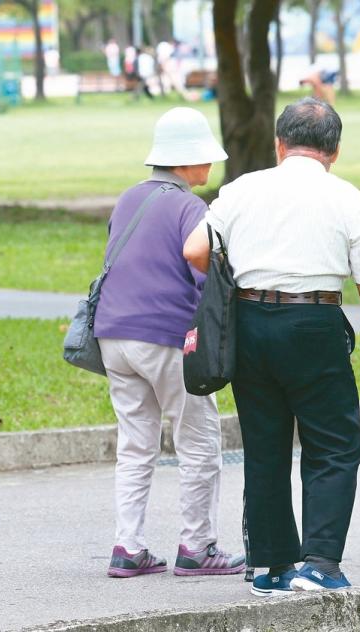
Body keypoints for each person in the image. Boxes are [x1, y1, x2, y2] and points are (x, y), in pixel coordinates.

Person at [183, 98, 360, 594]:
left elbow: (195, 249)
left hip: (250, 321)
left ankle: (272, 567)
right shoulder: (346, 198)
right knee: (334, 445)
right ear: (334, 151)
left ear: (280, 145)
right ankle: (320, 563)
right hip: (313, 322)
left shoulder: (241, 190)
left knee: (264, 446)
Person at [95, 107, 245, 578]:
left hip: (114, 337)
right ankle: (197, 547)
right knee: (198, 441)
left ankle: (128, 546)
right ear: (188, 161)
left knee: (136, 444)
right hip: (165, 338)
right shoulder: (189, 208)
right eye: (207, 159)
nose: (211, 168)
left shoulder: (127, 199)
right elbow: (202, 274)